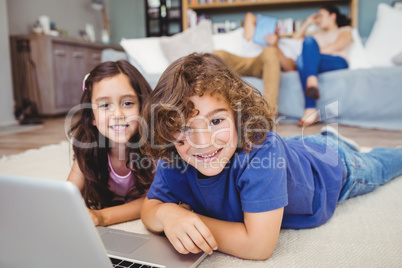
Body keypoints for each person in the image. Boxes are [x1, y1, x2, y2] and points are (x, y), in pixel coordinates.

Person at [139, 53, 402, 260]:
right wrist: (168, 215)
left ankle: (336, 142)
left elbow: (258, 246)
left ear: (239, 116)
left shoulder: (262, 150)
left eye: (216, 120)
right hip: (296, 150)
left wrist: (190, 219)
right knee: (298, 147)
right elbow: (150, 207)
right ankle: (329, 138)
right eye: (184, 128)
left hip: (332, 168)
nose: (203, 142)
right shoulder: (174, 156)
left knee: (381, 166)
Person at [67, 60, 155, 227]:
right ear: (92, 117)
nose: (118, 114)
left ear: (142, 108)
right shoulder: (88, 148)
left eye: (127, 103)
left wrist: (101, 217)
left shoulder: (154, 149)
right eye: (105, 105)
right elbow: (68, 194)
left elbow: (154, 200)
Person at [213, 12, 297, 113]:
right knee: (218, 54)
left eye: (277, 29)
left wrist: (275, 46)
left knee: (270, 51)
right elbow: (249, 16)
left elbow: (290, 68)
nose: (275, 30)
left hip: (260, 64)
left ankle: (270, 114)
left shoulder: (281, 45)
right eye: (274, 27)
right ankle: (219, 110)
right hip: (240, 62)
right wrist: (266, 26)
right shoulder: (251, 35)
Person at [293, 5, 354, 126]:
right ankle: (312, 93)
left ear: (333, 16)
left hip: (337, 61)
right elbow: (295, 38)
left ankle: (310, 107)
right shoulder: (316, 36)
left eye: (320, 16)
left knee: (303, 58)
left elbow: (338, 45)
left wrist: (312, 54)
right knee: (303, 54)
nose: (318, 19)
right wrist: (308, 22)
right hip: (316, 62)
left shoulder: (344, 30)